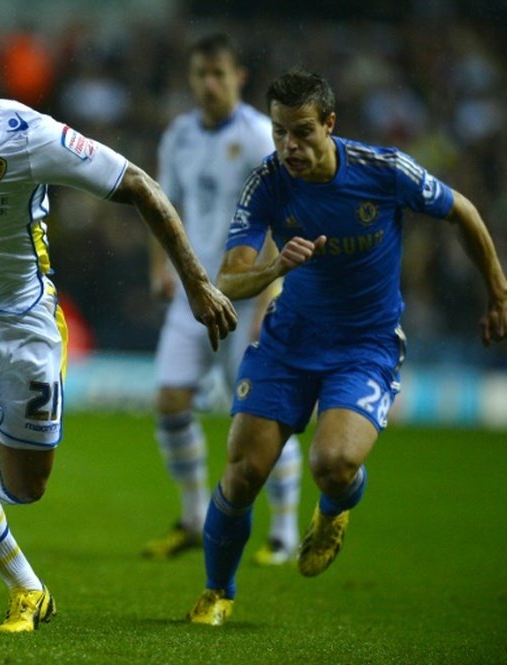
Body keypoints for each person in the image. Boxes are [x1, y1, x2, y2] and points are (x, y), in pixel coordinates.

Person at [0, 52, 237, 633]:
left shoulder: (36, 138)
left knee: (26, 487)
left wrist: (197, 284)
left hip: (25, 319)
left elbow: (142, 188)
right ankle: (28, 589)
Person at [187, 67, 507, 626]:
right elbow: (227, 281)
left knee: (333, 463)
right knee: (242, 474)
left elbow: (464, 211)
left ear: (330, 124)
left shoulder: (381, 170)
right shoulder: (266, 184)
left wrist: (499, 294)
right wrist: (272, 266)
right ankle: (218, 591)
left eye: (303, 132)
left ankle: (333, 509)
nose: (290, 146)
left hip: (366, 344)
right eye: (281, 132)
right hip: (288, 342)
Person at [143, 33, 302, 566]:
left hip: (248, 295)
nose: (208, 84)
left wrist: (268, 297)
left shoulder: (261, 137)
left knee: (263, 414)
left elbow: (282, 220)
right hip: (194, 293)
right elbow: (162, 204)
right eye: (199, 74)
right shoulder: (179, 135)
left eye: (218, 73)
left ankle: (282, 532)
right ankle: (191, 518)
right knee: (170, 401)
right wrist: (160, 267)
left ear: (239, 78)